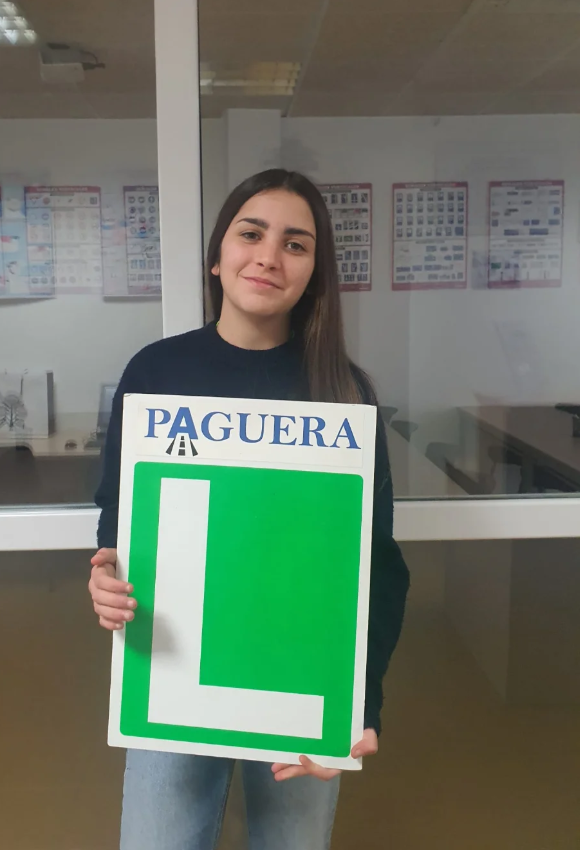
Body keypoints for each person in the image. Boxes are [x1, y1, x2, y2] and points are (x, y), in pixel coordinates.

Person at [89, 169, 410, 850]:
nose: (268, 255)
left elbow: (375, 565)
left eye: (296, 244)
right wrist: (107, 578)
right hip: (172, 667)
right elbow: (119, 523)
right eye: (251, 233)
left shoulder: (344, 392)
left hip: (298, 676)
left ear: (315, 275)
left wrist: (362, 702)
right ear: (218, 255)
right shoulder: (156, 373)